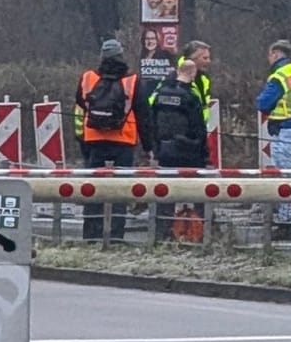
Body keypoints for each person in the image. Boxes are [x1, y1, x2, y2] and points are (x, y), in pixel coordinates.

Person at [74, 39, 153, 239]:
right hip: (123, 141)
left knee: (92, 189)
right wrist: (148, 146)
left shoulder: (88, 78)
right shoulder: (132, 81)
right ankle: (117, 234)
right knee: (121, 189)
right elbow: (144, 116)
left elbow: (81, 104)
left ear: (102, 57)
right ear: (121, 56)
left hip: (93, 139)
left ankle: (91, 233)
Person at [255, 40, 291, 240]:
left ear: (275, 53)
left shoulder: (279, 76)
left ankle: (285, 224)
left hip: (285, 132)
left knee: (284, 181)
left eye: (269, 55)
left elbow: (263, 103)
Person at [148, 58, 209, 239]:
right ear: (192, 73)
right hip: (188, 151)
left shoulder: (160, 94)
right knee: (196, 191)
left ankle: (163, 230)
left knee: (166, 191)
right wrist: (203, 152)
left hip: (165, 151)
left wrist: (155, 147)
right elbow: (198, 128)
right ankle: (198, 232)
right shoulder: (190, 97)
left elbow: (152, 123)